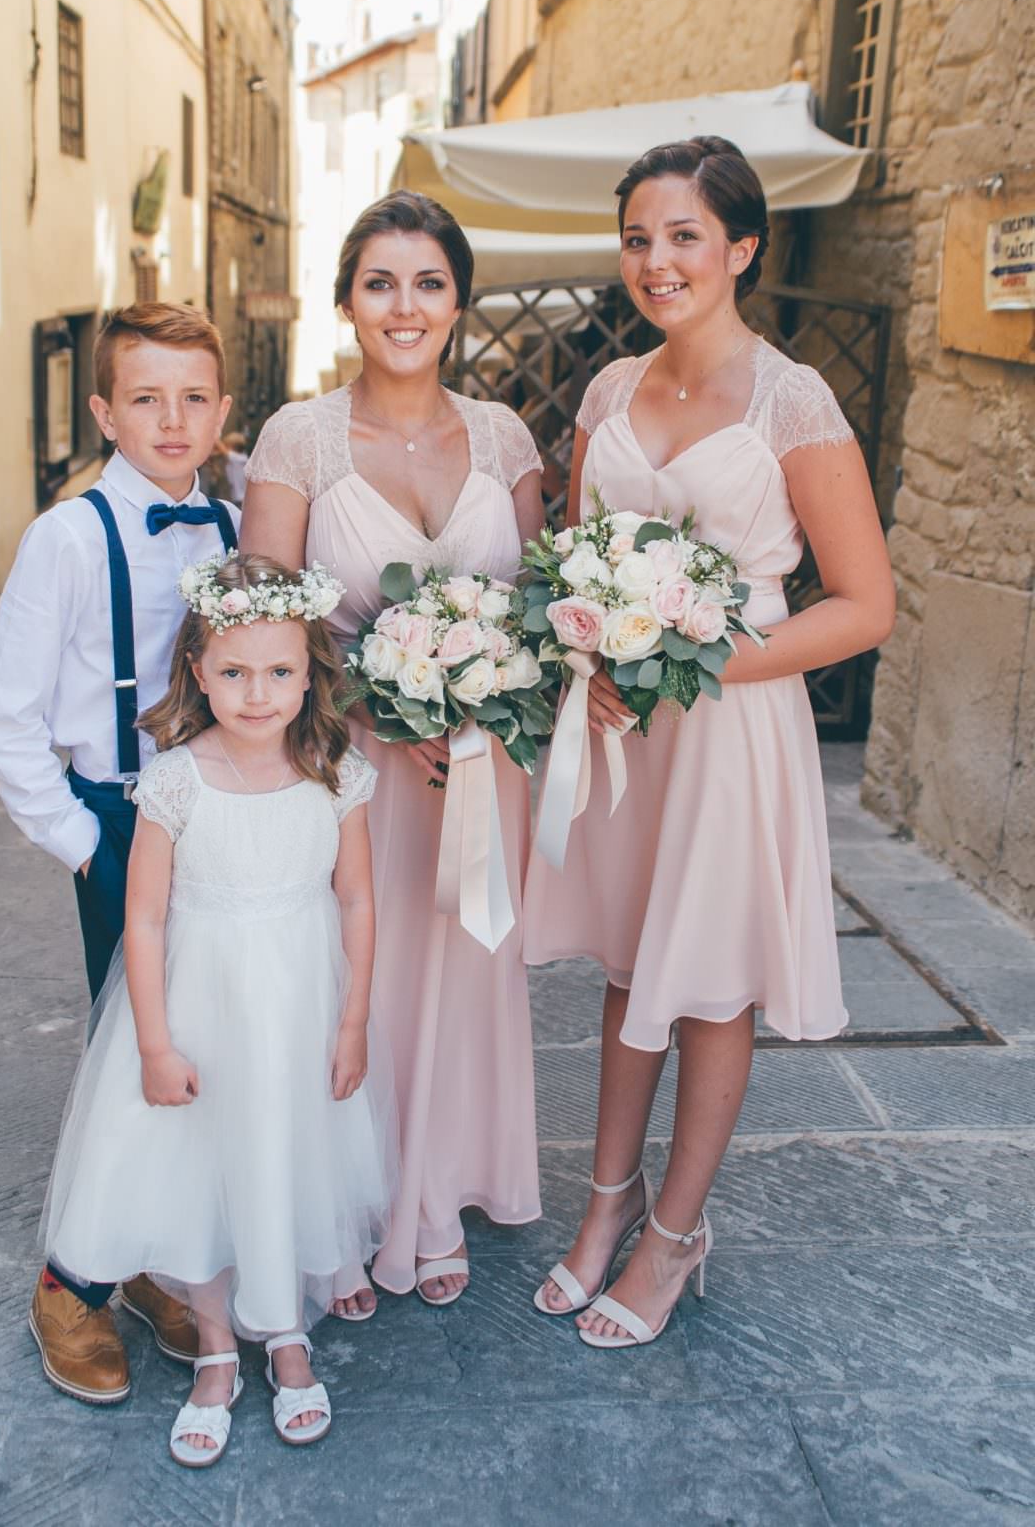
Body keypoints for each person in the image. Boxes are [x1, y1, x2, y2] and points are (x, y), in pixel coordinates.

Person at [525, 136, 895, 1348]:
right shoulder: (605, 394)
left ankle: (677, 1237)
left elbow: (863, 604)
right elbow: (573, 564)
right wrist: (601, 660)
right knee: (634, 956)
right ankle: (606, 1205)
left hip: (734, 725)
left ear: (739, 248)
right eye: (638, 237)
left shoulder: (795, 400)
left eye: (684, 236)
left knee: (708, 978)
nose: (657, 260)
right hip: (632, 729)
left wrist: (694, 655)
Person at [240, 190, 543, 1309]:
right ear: (346, 302)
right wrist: (387, 697)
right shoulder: (297, 439)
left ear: (459, 300)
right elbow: (264, 622)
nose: (403, 305)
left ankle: (442, 1189)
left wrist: (487, 690)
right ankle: (353, 1204)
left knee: (463, 968)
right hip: (355, 767)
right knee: (352, 978)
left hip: (481, 767)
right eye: (380, 282)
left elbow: (539, 601)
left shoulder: (506, 435)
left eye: (427, 282)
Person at [41, 554, 393, 1464]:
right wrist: (154, 1044)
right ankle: (215, 1349)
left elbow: (355, 899)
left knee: (281, 1156)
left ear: (312, 672)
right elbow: (145, 920)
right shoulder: (173, 782)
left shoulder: (336, 776)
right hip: (198, 1006)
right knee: (200, 1169)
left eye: (280, 672)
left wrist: (353, 1020)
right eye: (234, 672)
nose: (257, 693)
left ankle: (285, 1335)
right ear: (197, 671)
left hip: (298, 1006)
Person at [0, 302, 239, 1402]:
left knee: (202, 1049)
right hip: (124, 822)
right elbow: (3, 718)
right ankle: (70, 1281)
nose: (171, 421)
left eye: (192, 398)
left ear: (223, 411)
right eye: (144, 398)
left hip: (221, 818)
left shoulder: (227, 528)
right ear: (103, 411)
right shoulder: (66, 536)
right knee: (134, 1060)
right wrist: (85, 842)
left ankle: (156, 1260)